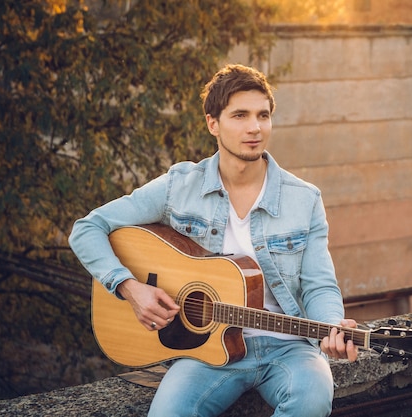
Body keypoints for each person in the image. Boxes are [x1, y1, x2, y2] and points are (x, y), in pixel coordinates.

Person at [69, 63, 358, 417]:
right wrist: (130, 287)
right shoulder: (179, 187)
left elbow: (319, 285)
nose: (254, 127)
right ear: (213, 124)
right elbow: (87, 229)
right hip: (206, 352)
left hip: (289, 348)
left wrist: (331, 325)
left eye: (262, 115)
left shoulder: (304, 199)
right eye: (240, 115)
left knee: (312, 400)